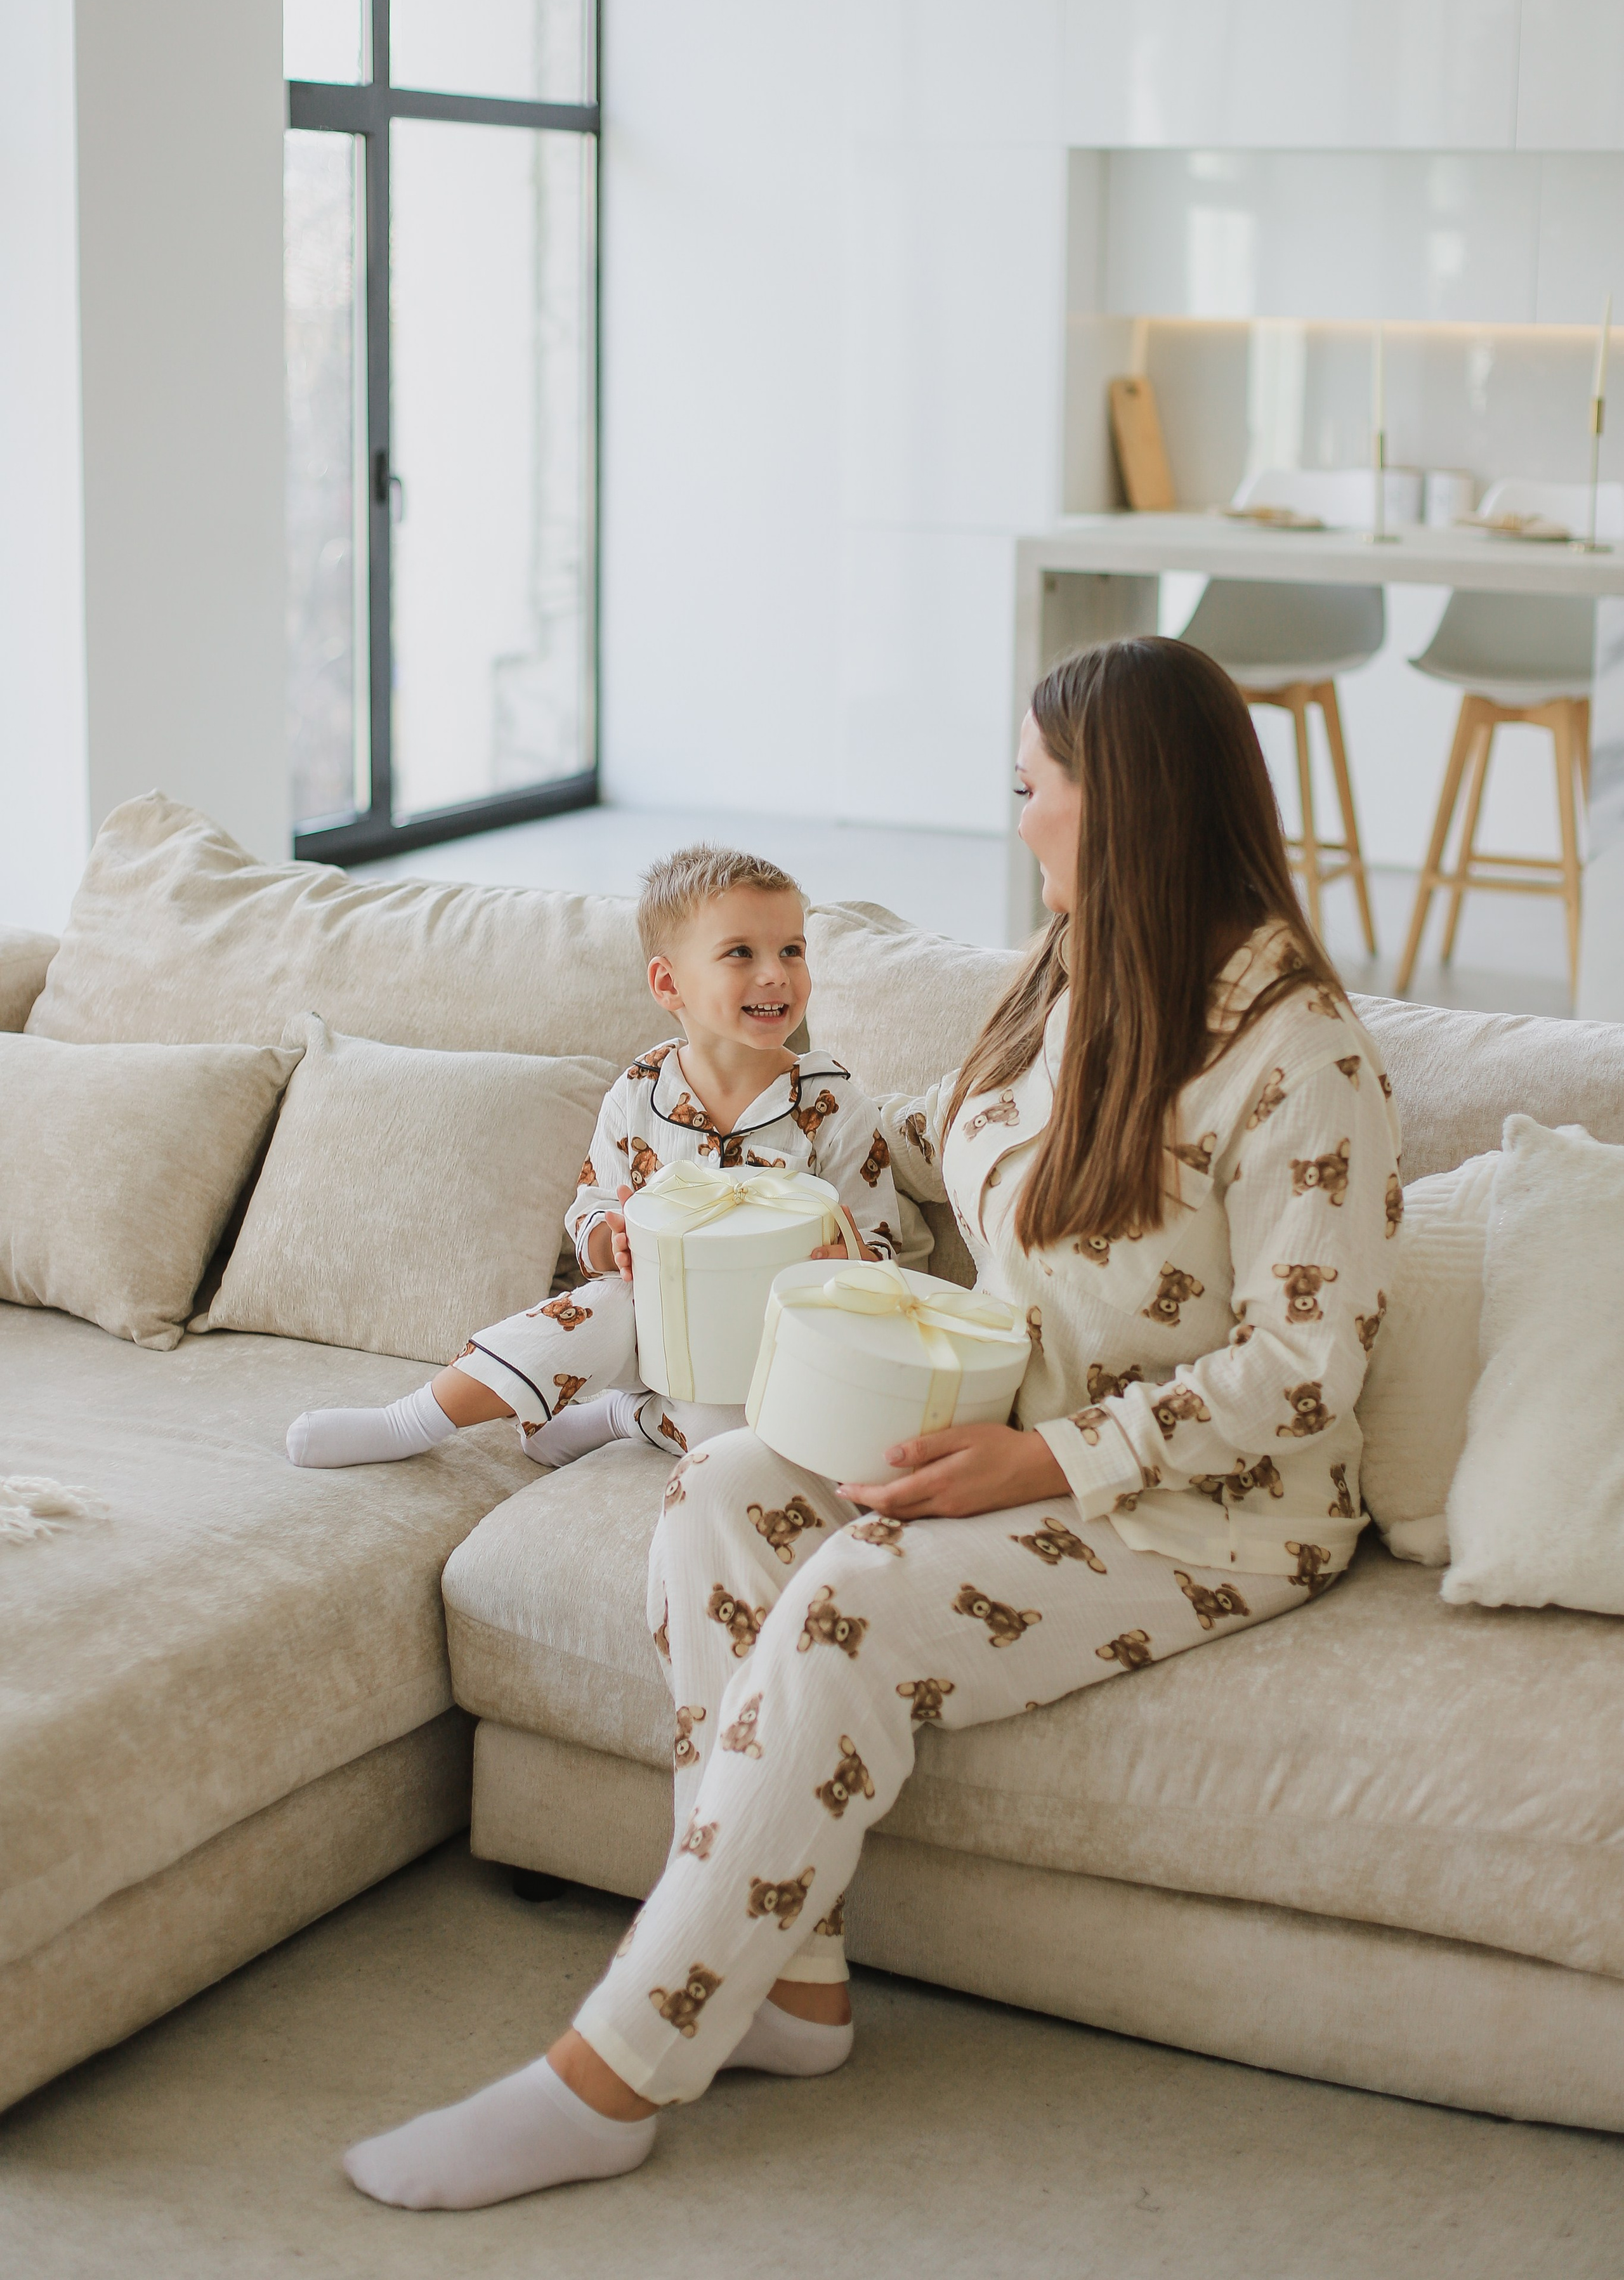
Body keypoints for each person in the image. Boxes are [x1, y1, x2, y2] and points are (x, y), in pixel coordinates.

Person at [343, 638, 1401, 2211]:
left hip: (1210, 1510)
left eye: (1031, 787)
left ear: (1121, 802)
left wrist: (1043, 1459)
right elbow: (927, 1142)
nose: (1015, 816)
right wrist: (733, 1195)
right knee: (719, 1487)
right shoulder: (1071, 974)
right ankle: (794, 1985)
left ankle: (614, 2067)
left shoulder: (1300, 1055)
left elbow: (1308, 1365)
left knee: (851, 1594)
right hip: (1013, 1429)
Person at [285, 844, 901, 1476]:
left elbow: (881, 1246)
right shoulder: (638, 1092)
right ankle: (410, 1421)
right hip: (648, 1317)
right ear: (668, 983)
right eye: (741, 952)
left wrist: (852, 1264)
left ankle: (625, 1416)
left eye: (792, 950)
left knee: (743, 1437)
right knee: (591, 1311)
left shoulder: (835, 1104)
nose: (776, 974)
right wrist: (614, 1242)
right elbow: (592, 1216)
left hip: (765, 1341)